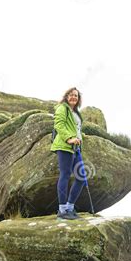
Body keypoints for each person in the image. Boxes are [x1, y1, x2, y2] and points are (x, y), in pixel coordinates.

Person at [50, 87, 85, 220]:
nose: (73, 97)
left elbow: (77, 129)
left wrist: (79, 141)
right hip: (65, 146)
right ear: (66, 96)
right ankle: (62, 209)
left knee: (81, 177)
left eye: (76, 96)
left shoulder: (76, 112)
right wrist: (69, 138)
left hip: (75, 148)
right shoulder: (62, 108)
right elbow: (59, 125)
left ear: (78, 99)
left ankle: (70, 208)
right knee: (65, 175)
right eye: (70, 95)